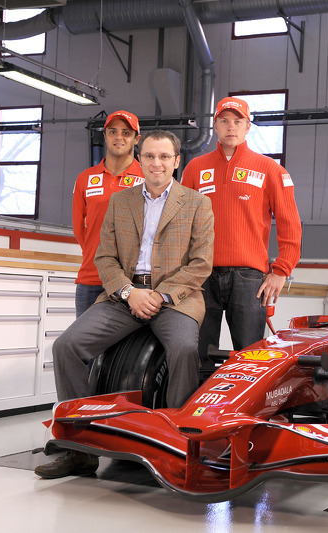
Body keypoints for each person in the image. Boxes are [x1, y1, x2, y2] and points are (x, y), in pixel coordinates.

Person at [35, 130, 214, 479]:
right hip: (125, 297)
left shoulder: (197, 203)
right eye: (150, 156)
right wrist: (130, 292)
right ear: (140, 159)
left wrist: (160, 295)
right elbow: (104, 257)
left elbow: (201, 264)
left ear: (177, 162)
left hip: (175, 299)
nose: (156, 163)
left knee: (182, 349)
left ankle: (174, 447)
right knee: (66, 347)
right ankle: (79, 449)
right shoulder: (121, 201)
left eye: (164, 157)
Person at [181, 96, 301, 364]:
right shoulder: (195, 168)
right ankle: (199, 405)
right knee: (198, 356)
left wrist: (281, 271)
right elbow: (179, 222)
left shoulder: (270, 170)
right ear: (215, 126)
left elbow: (289, 223)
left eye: (238, 121)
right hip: (202, 274)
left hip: (249, 279)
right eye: (224, 121)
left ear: (248, 127)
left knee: (250, 359)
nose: (231, 127)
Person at [72, 110, 144, 317]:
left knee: (127, 349)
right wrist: (96, 254)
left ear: (136, 139)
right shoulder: (85, 178)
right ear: (105, 136)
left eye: (126, 133)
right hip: (91, 278)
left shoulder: (146, 178)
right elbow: (79, 228)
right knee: (84, 346)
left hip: (131, 281)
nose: (119, 137)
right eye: (113, 132)